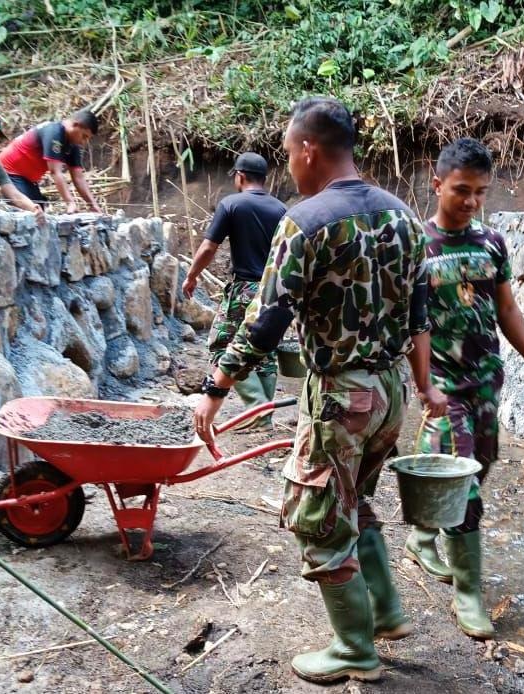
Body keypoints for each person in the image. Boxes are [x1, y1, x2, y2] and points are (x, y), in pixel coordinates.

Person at [193, 96, 446, 683]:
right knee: (353, 500)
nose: (289, 166)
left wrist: (216, 386)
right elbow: (419, 317)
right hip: (388, 395)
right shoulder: (405, 218)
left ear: (309, 148)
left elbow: (266, 321)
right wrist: (424, 386)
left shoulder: (305, 221)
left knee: (318, 518)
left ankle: (355, 651)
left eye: (289, 153)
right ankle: (384, 610)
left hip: (340, 396)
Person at [404, 137, 524, 640]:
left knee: (482, 465)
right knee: (466, 486)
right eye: (461, 190)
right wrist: (424, 383)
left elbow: (507, 310)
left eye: (480, 192)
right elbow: (414, 323)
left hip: (486, 381)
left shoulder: (491, 243)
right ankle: (469, 594)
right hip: (445, 385)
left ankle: (421, 533)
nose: (472, 201)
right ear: (436, 185)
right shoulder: (418, 246)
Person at [181, 152, 286, 430]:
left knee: (221, 344)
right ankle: (264, 414)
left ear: (239, 176)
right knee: (264, 350)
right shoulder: (281, 210)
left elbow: (208, 248)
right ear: (264, 180)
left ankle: (258, 413)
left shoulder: (231, 205)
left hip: (244, 289)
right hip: (273, 290)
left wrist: (191, 276)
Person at [0, 109, 102, 213]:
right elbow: (55, 172)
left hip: (27, 179)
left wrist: (93, 205)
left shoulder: (73, 144)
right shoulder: (54, 132)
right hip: (7, 173)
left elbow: (78, 178)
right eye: (84, 136)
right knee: (29, 212)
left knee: (39, 211)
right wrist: (70, 203)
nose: (84, 142)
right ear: (75, 125)